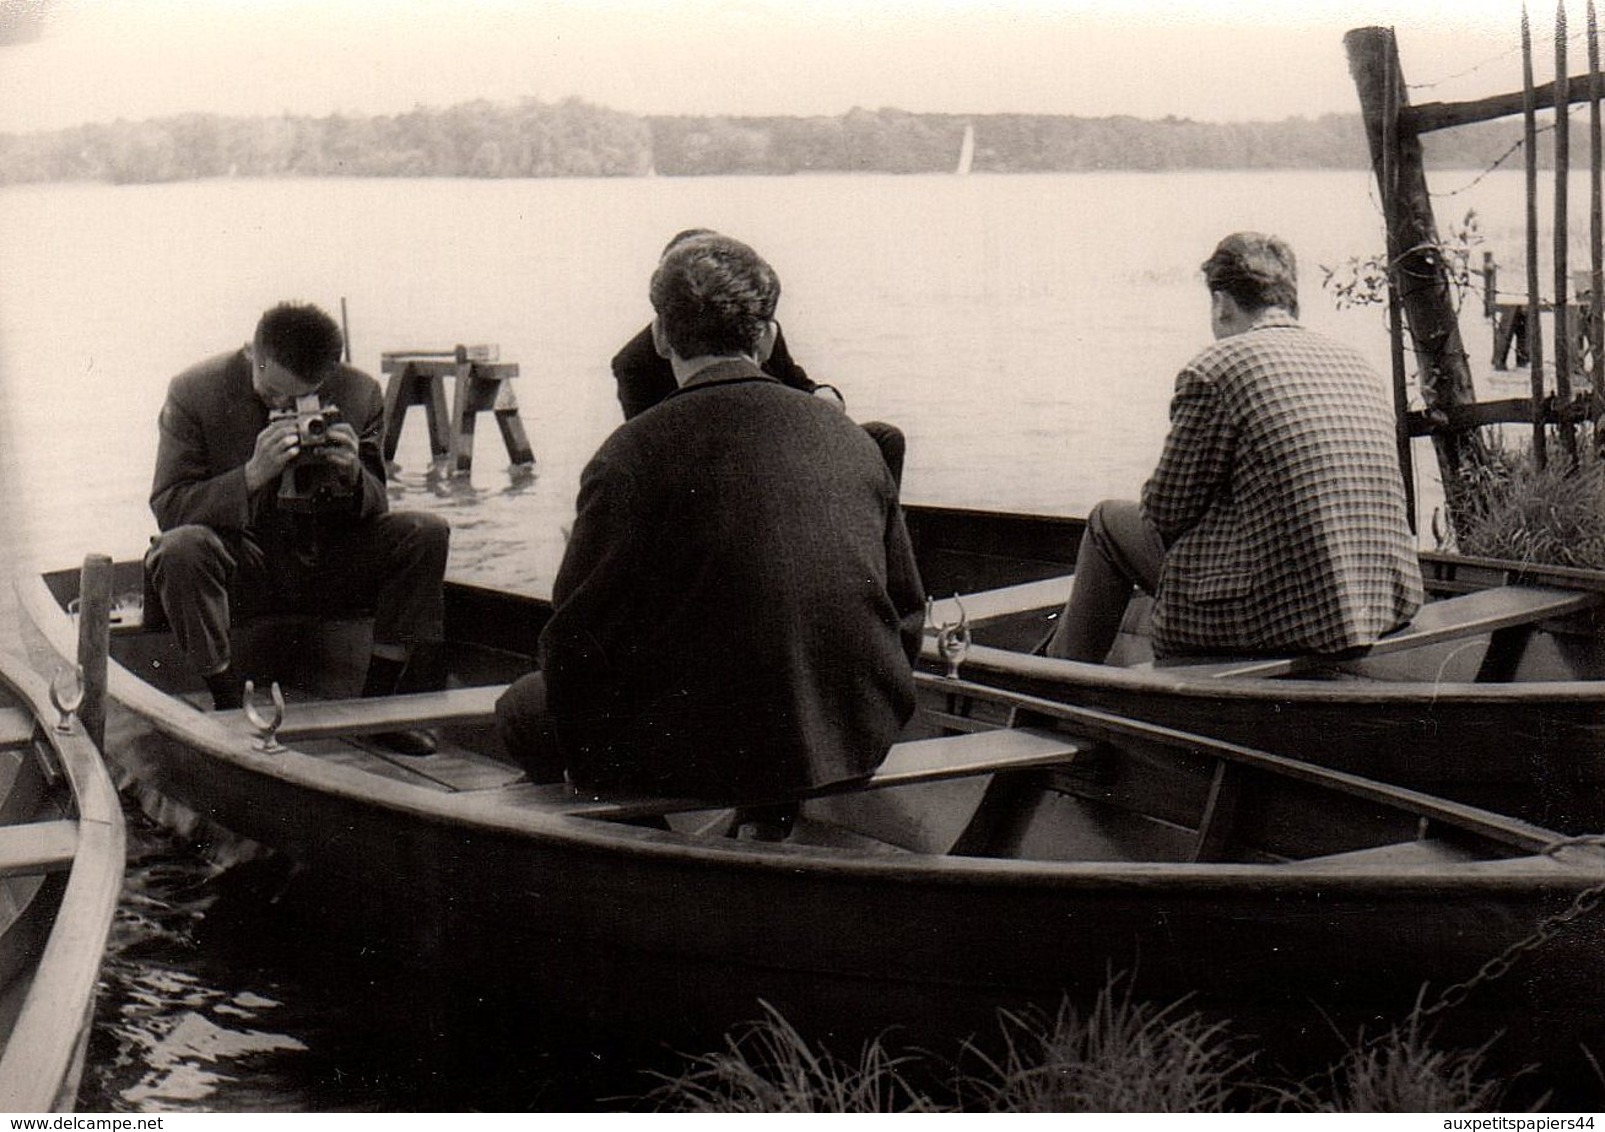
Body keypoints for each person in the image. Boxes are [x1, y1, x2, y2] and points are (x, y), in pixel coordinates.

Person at [497, 233, 925, 809]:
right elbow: (906, 610)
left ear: (660, 335)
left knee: (521, 709)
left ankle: (632, 837)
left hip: (702, 751)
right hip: (858, 733)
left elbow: (576, 640)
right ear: (768, 337)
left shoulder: (630, 451)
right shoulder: (852, 439)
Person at [1046, 231, 1423, 664]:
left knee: (1105, 522)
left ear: (1222, 302)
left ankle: (1061, 683)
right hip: (1381, 603)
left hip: (1285, 615)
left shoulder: (1216, 369)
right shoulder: (1355, 363)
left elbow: (1165, 513)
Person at [146, 302, 451, 755]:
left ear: (327, 376)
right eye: (271, 394)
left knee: (425, 532)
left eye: (298, 398)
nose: (283, 407)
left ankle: (377, 707)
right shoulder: (195, 392)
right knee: (178, 549)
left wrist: (352, 476)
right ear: (253, 353)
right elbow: (169, 505)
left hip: (328, 564)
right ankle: (230, 705)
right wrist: (251, 475)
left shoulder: (360, 393)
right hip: (244, 568)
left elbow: (378, 503)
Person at [610, 228, 907, 484]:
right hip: (709, 463)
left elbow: (798, 383)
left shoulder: (752, 325)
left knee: (883, 438)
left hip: (774, 437)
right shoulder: (633, 362)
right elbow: (650, 447)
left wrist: (824, 395)